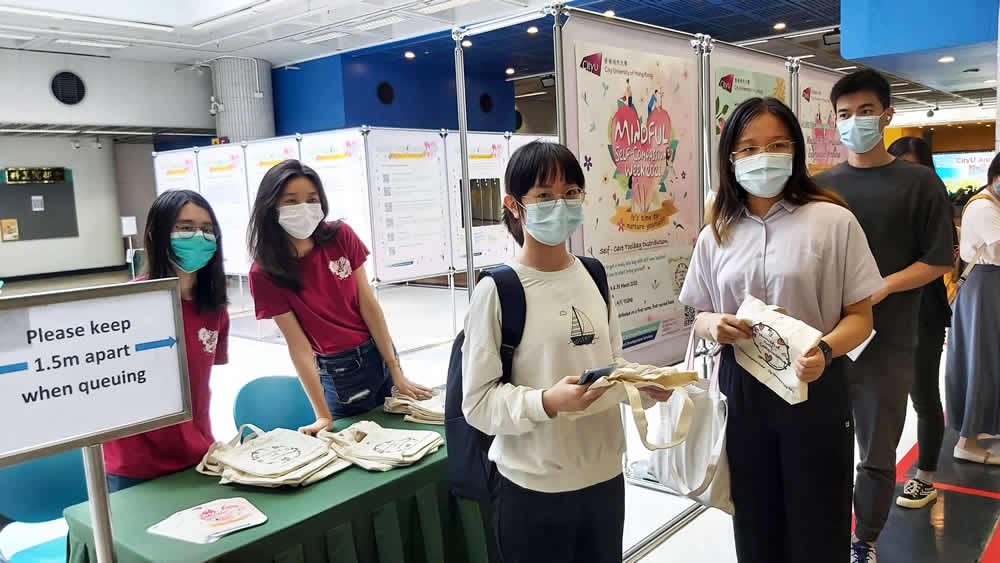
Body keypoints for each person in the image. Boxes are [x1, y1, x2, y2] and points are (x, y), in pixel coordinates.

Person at [680, 97, 882, 563]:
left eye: (775, 144)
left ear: (795, 151)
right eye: (747, 148)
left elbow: (861, 316)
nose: (761, 157)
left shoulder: (833, 220)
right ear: (730, 159)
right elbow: (700, 314)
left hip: (815, 385)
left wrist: (825, 351)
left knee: (819, 518)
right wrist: (715, 324)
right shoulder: (717, 232)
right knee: (754, 519)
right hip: (744, 390)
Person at [461, 142, 671, 563]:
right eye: (543, 195)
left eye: (571, 191)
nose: (560, 204)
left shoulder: (593, 274)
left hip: (605, 480)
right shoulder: (498, 291)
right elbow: (478, 404)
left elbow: (612, 364)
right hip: (532, 490)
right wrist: (545, 402)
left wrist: (643, 385)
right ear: (514, 206)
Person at [814, 70, 954, 563]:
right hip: (824, 340)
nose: (855, 122)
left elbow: (939, 258)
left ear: (887, 115)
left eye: (866, 112)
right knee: (822, 443)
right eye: (845, 115)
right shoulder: (819, 186)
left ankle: (864, 541)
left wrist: (882, 287)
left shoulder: (919, 183)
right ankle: (823, 531)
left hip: (891, 337)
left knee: (877, 450)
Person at [248, 160, 432, 436]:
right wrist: (322, 414)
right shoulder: (264, 272)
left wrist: (396, 369)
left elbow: (368, 305)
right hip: (339, 371)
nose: (304, 208)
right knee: (361, 445)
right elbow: (299, 348)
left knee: (405, 433)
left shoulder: (339, 236)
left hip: (378, 350)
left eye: (312, 199)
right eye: (291, 201)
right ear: (270, 206)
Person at [103, 190, 230, 492]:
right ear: (156, 234)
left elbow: (200, 385)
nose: (198, 236)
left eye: (207, 229)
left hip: (197, 455)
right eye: (185, 227)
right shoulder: (126, 304)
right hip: (136, 468)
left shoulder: (213, 307)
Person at [885, 136, 957, 510]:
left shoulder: (935, 205)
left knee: (923, 393)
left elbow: (940, 260)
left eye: (913, 167)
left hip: (921, 312)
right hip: (878, 312)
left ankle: (926, 475)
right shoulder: (883, 201)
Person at [946, 152, 1000, 464]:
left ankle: (983, 427)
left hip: (990, 287)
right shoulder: (983, 206)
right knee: (979, 360)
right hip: (983, 287)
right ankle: (966, 442)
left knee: (989, 359)